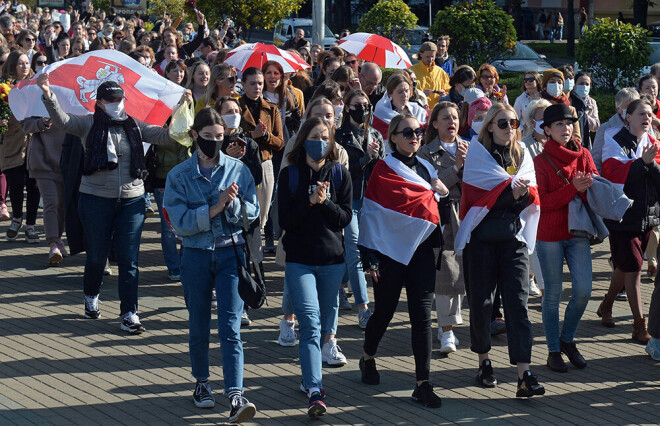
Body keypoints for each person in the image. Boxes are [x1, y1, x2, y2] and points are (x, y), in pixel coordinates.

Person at [38, 73, 190, 333]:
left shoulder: (134, 125)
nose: (116, 103)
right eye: (110, 100)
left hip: (132, 200)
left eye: (119, 99)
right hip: (95, 199)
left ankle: (130, 313)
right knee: (97, 256)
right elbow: (62, 121)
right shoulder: (87, 125)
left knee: (129, 260)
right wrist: (48, 95)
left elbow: (165, 137)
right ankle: (91, 296)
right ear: (99, 103)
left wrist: (183, 110)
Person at [163, 108, 258, 423]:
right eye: (208, 138)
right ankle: (202, 383)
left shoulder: (238, 170)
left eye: (220, 137)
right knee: (198, 323)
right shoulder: (179, 175)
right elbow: (181, 223)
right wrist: (215, 207)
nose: (215, 143)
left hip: (231, 254)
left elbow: (252, 211)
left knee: (231, 327)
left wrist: (234, 206)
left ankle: (235, 393)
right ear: (194, 136)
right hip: (195, 255)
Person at [358, 113, 448, 408]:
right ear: (392, 137)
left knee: (422, 316)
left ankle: (423, 383)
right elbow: (371, 214)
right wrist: (369, 258)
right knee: (384, 311)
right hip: (390, 252)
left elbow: (435, 213)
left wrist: (444, 198)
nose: (414, 136)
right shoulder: (382, 170)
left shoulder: (425, 167)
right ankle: (368, 356)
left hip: (422, 251)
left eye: (418, 131)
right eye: (406, 132)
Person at [459, 102, 546, 398]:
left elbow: (532, 199)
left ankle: (525, 374)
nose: (509, 128)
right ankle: (483, 361)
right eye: (502, 123)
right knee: (482, 304)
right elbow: (476, 203)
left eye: (513, 123)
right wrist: (510, 194)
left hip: (513, 240)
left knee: (518, 305)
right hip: (482, 241)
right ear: (489, 127)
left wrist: (519, 197)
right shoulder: (477, 156)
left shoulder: (523, 156)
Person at [278, 117, 353, 417]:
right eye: (314, 135)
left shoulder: (339, 174)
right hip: (300, 261)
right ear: (303, 140)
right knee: (309, 325)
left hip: (332, 261)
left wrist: (325, 203)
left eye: (325, 136)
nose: (320, 141)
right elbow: (286, 221)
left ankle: (308, 378)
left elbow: (345, 218)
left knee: (324, 327)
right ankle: (314, 389)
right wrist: (309, 201)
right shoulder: (290, 175)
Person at [534, 103, 598, 373]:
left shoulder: (583, 153)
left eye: (569, 123)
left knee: (584, 290)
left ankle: (567, 339)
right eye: (559, 124)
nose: (566, 128)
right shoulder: (539, 161)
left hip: (578, 231)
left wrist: (585, 187)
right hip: (549, 234)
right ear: (547, 130)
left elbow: (595, 188)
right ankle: (552, 350)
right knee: (553, 294)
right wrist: (572, 188)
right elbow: (542, 202)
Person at [599, 98, 659, 344]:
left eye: (650, 113)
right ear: (628, 116)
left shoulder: (653, 142)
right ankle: (639, 325)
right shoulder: (613, 140)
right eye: (642, 114)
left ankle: (606, 304)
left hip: (648, 215)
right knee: (633, 268)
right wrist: (642, 164)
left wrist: (649, 164)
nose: (647, 118)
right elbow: (612, 174)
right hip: (622, 216)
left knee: (624, 266)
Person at [418, 102, 468, 353]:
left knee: (462, 271)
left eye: (455, 117)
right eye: (445, 117)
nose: (452, 122)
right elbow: (432, 184)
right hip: (443, 214)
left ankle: (447, 324)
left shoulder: (471, 147)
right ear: (435, 123)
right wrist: (457, 168)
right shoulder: (426, 153)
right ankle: (446, 329)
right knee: (447, 272)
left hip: (469, 213)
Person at [334, 89, 384, 327]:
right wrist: (366, 158)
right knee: (354, 248)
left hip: (371, 201)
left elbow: (382, 171)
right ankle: (364, 308)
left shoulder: (375, 134)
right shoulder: (340, 136)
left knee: (354, 249)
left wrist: (375, 158)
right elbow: (343, 172)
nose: (362, 109)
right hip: (349, 200)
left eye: (366, 105)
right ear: (347, 108)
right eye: (357, 105)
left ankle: (340, 286)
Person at [239, 67, 284, 268]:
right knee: (244, 215)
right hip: (241, 164)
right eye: (253, 83)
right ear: (244, 84)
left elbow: (280, 142)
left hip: (265, 163)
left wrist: (264, 136)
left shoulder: (271, 108)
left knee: (262, 215)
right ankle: (251, 259)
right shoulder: (235, 106)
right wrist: (251, 136)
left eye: (260, 83)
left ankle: (254, 259)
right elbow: (230, 135)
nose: (257, 87)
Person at [1, 50, 40, 243]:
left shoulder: (36, 86)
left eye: (27, 63)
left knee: (34, 184)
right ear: (13, 66)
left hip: (34, 141)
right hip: (13, 141)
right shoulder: (4, 88)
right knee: (16, 183)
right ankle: (16, 219)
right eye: (20, 63)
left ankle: (31, 225)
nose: (24, 67)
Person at [521, 99, 552, 297]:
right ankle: (543, 290)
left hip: (554, 204)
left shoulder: (558, 142)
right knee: (535, 249)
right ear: (533, 122)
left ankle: (533, 279)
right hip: (533, 203)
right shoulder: (524, 145)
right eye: (543, 118)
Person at [592, 88, 639, 171]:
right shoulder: (606, 128)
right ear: (619, 108)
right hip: (613, 180)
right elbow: (596, 161)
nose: (633, 110)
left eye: (635, 106)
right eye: (628, 106)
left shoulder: (645, 126)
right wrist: (602, 182)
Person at [372, 73, 427, 142]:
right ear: (390, 93)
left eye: (407, 91)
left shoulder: (418, 110)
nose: (405, 95)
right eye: (400, 92)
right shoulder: (381, 113)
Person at [539, 68, 582, 145]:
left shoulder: (570, 110)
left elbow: (577, 137)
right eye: (552, 82)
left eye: (559, 82)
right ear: (545, 86)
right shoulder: (537, 108)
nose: (556, 85)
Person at [410, 42, 450, 109]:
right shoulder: (411, 71)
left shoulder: (441, 72)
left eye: (432, 56)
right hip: (417, 110)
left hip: (436, 112)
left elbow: (449, 91)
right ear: (421, 54)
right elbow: (405, 92)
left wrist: (444, 95)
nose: (430, 59)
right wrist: (421, 95)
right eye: (427, 57)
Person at [570, 72, 600, 150]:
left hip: (585, 141)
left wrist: (584, 115)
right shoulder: (569, 100)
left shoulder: (591, 102)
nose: (584, 86)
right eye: (581, 83)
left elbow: (596, 126)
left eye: (587, 84)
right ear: (575, 85)